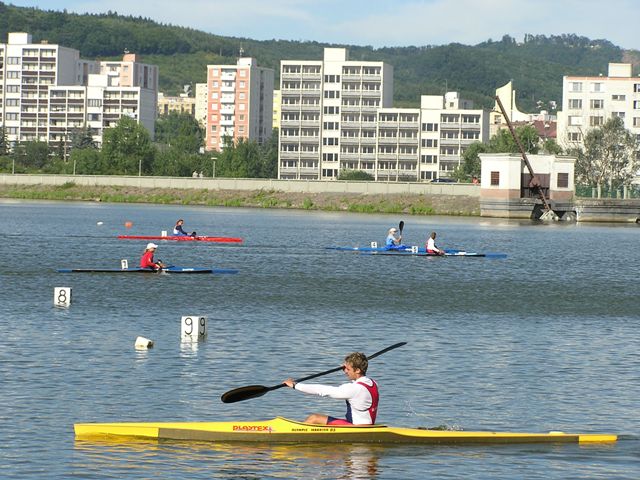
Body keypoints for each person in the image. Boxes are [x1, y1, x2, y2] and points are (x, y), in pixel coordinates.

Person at [283, 352, 379, 425]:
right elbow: (358, 389)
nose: (345, 371)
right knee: (315, 417)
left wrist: (295, 385)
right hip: (367, 425)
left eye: (348, 369)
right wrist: (347, 367)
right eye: (345, 369)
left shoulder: (353, 389)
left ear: (357, 370)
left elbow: (321, 390)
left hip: (355, 427)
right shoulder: (373, 383)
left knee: (314, 418)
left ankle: (296, 436)